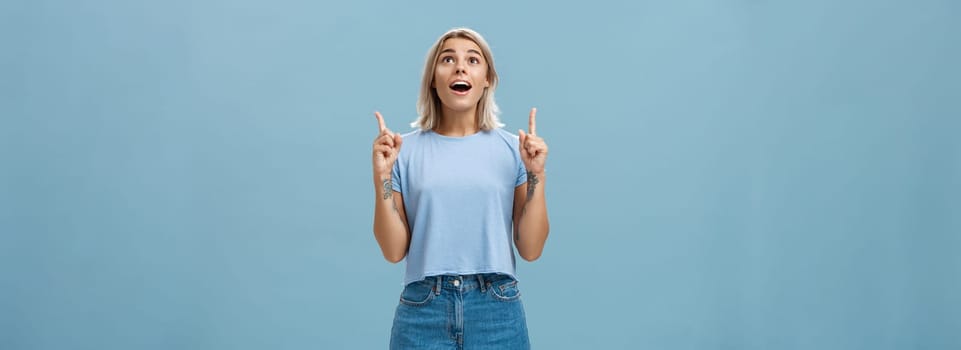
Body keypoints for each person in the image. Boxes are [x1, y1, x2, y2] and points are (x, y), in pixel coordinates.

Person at [371, 27, 550, 349]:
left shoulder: (514, 149)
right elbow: (393, 251)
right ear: (432, 80)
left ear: (487, 80)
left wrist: (536, 174)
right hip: (423, 307)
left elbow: (531, 249)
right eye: (448, 59)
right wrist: (382, 178)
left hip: (496, 306)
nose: (460, 67)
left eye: (473, 59)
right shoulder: (402, 151)